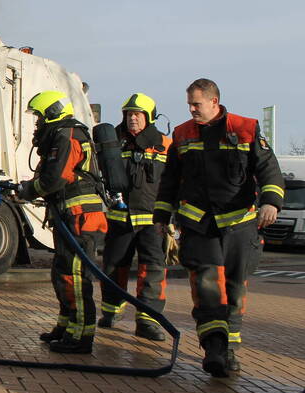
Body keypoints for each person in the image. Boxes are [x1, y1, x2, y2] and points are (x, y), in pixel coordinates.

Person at [154, 79, 283, 377]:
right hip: (200, 226)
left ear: (214, 102)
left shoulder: (245, 129)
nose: (191, 109)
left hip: (240, 226)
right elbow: (170, 179)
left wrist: (271, 202)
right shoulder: (182, 134)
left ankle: (229, 350)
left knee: (235, 289)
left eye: (196, 104)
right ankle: (214, 348)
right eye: (189, 103)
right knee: (207, 286)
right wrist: (162, 215)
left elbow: (269, 170)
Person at [16, 90, 108, 354]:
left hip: (80, 218)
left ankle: (81, 337)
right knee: (62, 272)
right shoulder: (62, 134)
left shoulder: (67, 136)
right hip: (70, 216)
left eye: (39, 117)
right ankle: (66, 327)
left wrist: (27, 190)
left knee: (75, 277)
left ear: (51, 113)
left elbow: (55, 179)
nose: (37, 123)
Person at [98, 93, 171, 341]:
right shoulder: (113, 144)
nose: (132, 119)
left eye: (138, 114)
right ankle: (111, 312)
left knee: (151, 270)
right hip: (120, 219)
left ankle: (148, 322)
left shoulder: (165, 145)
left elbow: (176, 182)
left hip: (152, 221)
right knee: (113, 267)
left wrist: (174, 217)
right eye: (129, 114)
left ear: (149, 117)